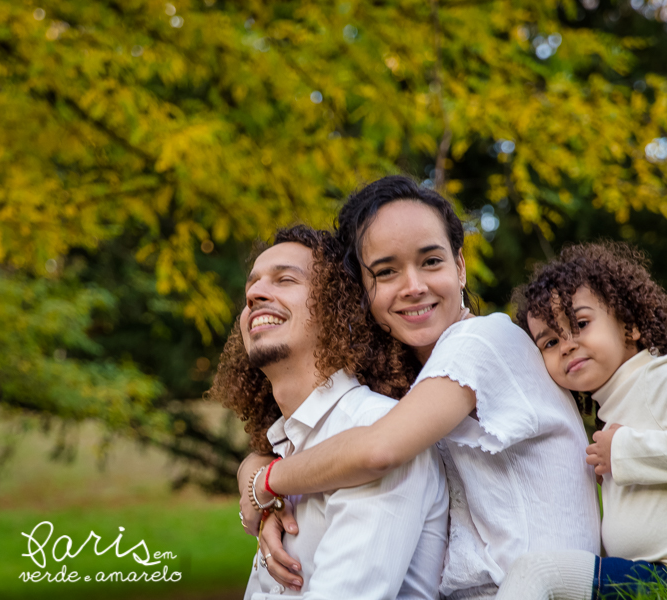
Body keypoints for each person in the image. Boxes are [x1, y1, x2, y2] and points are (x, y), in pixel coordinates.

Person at [245, 176, 601, 600]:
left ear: (461, 266)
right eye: (386, 272)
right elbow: (325, 440)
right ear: (362, 294)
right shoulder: (418, 383)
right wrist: (258, 477)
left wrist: (266, 483)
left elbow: (378, 450)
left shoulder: (483, 341)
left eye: (431, 262)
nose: (413, 286)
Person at [495, 241, 667, 599]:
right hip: (648, 576)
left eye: (581, 323)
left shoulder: (663, 376)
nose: (567, 345)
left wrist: (624, 452)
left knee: (537, 571)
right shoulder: (614, 408)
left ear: (629, 324)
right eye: (550, 342)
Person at [209, 225, 448, 600]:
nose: (254, 294)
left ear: (338, 307)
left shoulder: (375, 427)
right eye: (251, 287)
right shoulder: (285, 447)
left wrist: (262, 482)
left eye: (285, 279)